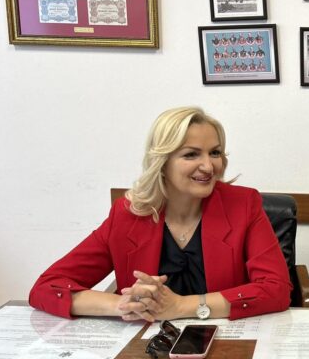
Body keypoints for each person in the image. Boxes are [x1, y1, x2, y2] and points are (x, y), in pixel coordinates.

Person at [29, 107, 291, 322]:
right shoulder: (128, 215)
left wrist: (181, 306)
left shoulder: (243, 205)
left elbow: (277, 290)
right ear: (162, 162)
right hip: (147, 349)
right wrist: (123, 304)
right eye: (191, 154)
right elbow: (47, 287)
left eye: (215, 153)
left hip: (226, 346)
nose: (209, 166)